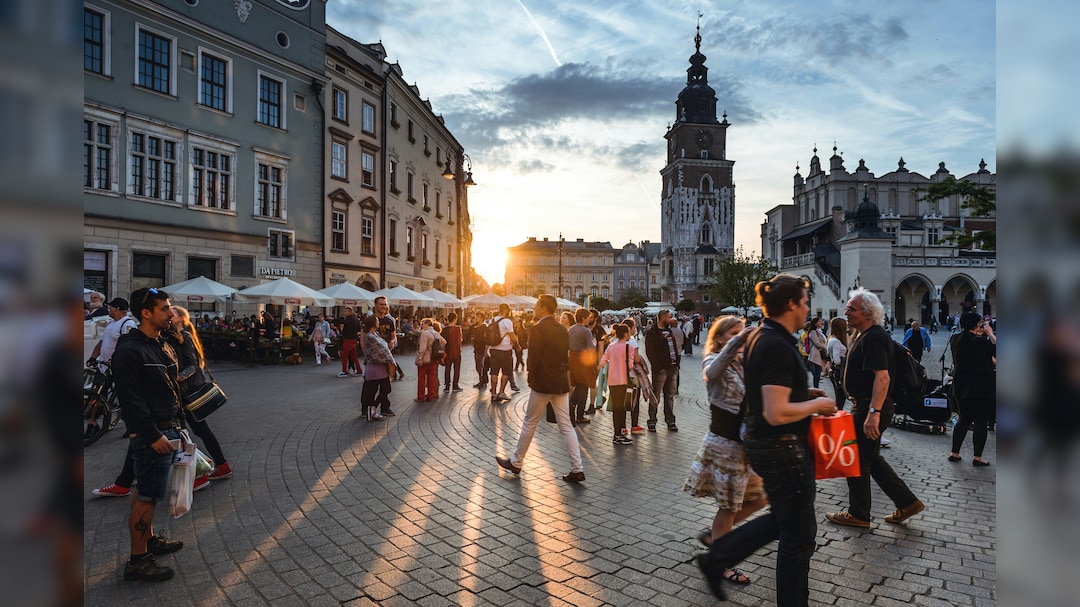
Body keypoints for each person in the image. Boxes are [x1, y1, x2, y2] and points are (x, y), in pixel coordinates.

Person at [696, 275, 837, 605]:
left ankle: (718, 556)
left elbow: (762, 393)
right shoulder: (776, 344)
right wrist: (818, 404)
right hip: (782, 448)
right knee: (798, 537)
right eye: (804, 302)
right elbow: (775, 412)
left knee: (787, 522)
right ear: (790, 304)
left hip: (767, 446)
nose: (807, 308)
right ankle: (718, 558)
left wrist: (802, 393)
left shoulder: (763, 336)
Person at [826, 287, 924, 530]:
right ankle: (908, 502)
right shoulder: (863, 335)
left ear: (867, 313)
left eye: (852, 308)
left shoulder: (874, 337)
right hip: (865, 405)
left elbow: (882, 378)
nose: (846, 312)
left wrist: (873, 413)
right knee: (872, 459)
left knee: (856, 459)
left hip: (870, 406)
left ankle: (858, 513)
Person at [110, 287, 186, 582]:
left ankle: (149, 539)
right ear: (146, 313)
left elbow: (170, 385)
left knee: (146, 491)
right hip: (152, 432)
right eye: (165, 308)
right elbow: (130, 400)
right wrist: (153, 434)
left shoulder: (160, 343)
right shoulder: (130, 349)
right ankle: (138, 560)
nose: (171, 313)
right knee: (148, 497)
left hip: (167, 425)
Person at [685, 316, 768, 586]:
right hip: (726, 445)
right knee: (728, 508)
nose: (739, 337)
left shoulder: (743, 364)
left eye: (741, 332)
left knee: (759, 498)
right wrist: (739, 341)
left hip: (745, 446)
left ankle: (715, 537)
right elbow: (712, 372)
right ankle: (721, 561)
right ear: (720, 338)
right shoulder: (713, 358)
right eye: (732, 333)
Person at [496, 295, 585, 482]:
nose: (534, 308)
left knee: (530, 422)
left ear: (544, 308)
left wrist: (531, 378)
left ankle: (516, 462)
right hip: (559, 381)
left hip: (543, 383)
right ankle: (577, 468)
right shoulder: (562, 329)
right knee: (566, 425)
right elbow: (564, 356)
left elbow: (533, 358)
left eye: (537, 305)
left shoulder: (537, 329)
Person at [168, 306, 232, 484]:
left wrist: (177, 377)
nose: (168, 315)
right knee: (197, 430)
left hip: (187, 393)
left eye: (171, 313)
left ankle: (207, 469)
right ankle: (218, 465)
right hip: (182, 392)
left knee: (191, 431)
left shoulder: (185, 337)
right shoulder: (173, 337)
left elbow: (193, 365)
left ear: (180, 318)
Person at [84, 297, 138, 440]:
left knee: (125, 398)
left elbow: (130, 347)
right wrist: (92, 357)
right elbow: (102, 342)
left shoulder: (128, 324)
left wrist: (118, 360)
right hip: (104, 367)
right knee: (96, 395)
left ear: (117, 309)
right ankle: (92, 424)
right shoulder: (111, 324)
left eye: (111, 307)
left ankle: (132, 425)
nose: (108, 309)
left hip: (119, 367)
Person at [948, 312, 996, 465]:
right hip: (980, 386)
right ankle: (977, 457)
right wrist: (990, 333)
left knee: (964, 419)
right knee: (981, 421)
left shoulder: (955, 339)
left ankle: (954, 453)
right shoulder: (980, 342)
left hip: (961, 385)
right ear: (977, 324)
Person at [596, 323, 636, 444]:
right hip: (623, 380)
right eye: (628, 332)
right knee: (622, 408)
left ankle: (617, 434)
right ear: (625, 334)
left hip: (612, 380)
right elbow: (630, 366)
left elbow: (603, 361)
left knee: (616, 407)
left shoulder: (611, 346)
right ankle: (620, 434)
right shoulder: (629, 347)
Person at [644, 309, 680, 432]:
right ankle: (652, 421)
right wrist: (658, 367)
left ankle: (670, 421)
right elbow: (650, 352)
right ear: (662, 317)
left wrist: (677, 364)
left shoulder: (669, 331)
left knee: (670, 396)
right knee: (656, 397)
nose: (671, 319)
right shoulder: (652, 333)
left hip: (673, 368)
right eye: (669, 317)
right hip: (661, 370)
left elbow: (674, 348)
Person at [361, 314, 395, 421]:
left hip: (380, 367)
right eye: (377, 321)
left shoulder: (375, 334)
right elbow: (382, 350)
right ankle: (372, 411)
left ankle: (373, 409)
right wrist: (392, 362)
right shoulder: (370, 336)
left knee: (384, 389)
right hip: (375, 367)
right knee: (375, 390)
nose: (379, 322)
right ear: (373, 323)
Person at [568, 308, 597, 424]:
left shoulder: (570, 329)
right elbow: (590, 348)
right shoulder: (586, 331)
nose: (589, 319)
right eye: (588, 317)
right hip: (583, 359)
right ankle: (579, 415)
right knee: (584, 386)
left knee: (579, 386)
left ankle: (571, 406)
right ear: (583, 318)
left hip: (573, 358)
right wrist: (594, 344)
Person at [488, 303, 519, 403]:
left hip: (493, 349)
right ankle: (501, 392)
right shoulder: (507, 321)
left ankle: (493, 393)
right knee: (506, 371)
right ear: (506, 310)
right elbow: (512, 337)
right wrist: (518, 346)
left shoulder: (491, 320)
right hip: (505, 350)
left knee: (494, 372)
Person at [415, 318, 446, 402]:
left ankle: (420, 397)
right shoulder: (436, 333)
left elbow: (422, 347)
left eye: (422, 324)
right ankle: (430, 395)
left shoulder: (425, 333)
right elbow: (444, 342)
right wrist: (434, 348)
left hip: (426, 358)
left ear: (427, 324)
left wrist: (421, 357)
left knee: (421, 377)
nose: (421, 326)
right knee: (432, 377)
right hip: (434, 358)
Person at [826, 317, 849, 407]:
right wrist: (845, 359)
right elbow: (837, 360)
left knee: (839, 397)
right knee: (840, 398)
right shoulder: (836, 342)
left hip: (835, 371)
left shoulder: (832, 339)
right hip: (839, 371)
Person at [337, 306, 363, 378]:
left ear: (349, 312)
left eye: (345, 311)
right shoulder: (356, 319)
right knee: (354, 356)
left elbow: (345, 322)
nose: (344, 313)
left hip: (348, 339)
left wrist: (337, 320)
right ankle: (359, 370)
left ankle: (344, 371)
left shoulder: (349, 319)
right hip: (354, 339)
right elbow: (359, 329)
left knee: (344, 355)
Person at [441, 313, 464, 391]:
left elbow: (441, 341)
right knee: (456, 369)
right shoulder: (458, 328)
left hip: (447, 352)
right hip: (457, 352)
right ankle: (455, 386)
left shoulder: (444, 329)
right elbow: (460, 340)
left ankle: (447, 386)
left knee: (447, 369)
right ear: (455, 319)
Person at [805, 317, 827, 388]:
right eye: (819, 321)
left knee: (818, 372)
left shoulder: (818, 331)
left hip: (818, 354)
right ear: (815, 323)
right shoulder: (813, 332)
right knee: (817, 373)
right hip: (815, 355)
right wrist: (825, 346)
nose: (821, 323)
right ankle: (816, 387)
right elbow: (817, 343)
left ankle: (816, 387)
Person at [471, 312, 489, 389]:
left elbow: (486, 340)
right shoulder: (477, 327)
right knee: (478, 366)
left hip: (481, 349)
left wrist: (486, 350)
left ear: (482, 318)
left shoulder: (484, 327)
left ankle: (483, 381)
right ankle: (482, 380)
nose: (476, 318)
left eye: (478, 317)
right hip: (477, 349)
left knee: (481, 366)